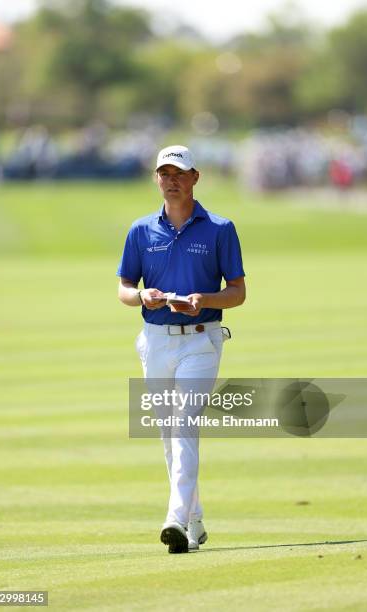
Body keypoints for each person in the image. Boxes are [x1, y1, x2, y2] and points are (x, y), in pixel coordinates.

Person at [117, 145, 246, 553]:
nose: (171, 180)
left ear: (195, 178)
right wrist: (142, 298)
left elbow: (238, 293)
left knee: (183, 423)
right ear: (157, 179)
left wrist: (203, 299)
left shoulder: (219, 228)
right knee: (167, 432)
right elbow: (124, 289)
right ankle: (194, 518)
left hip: (201, 340)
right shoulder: (140, 230)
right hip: (155, 340)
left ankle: (174, 517)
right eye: (164, 173)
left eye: (179, 173)